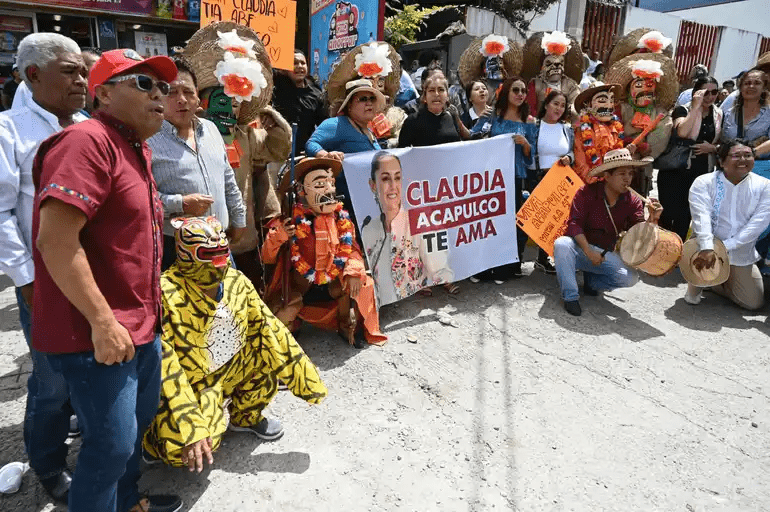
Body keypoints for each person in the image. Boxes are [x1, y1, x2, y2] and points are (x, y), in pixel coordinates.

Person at [31, 48, 182, 512]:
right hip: (97, 334)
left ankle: (128, 500)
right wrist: (102, 321)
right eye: (143, 84)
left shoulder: (134, 147)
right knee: (110, 446)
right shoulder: (86, 142)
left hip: (139, 326)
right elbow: (56, 240)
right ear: (103, 94)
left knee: (132, 432)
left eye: (163, 87)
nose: (159, 95)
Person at [143, 216, 328, 470]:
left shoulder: (235, 281)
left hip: (233, 364)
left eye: (222, 251)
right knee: (189, 442)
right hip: (197, 381)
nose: (219, 261)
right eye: (209, 254)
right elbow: (165, 365)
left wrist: (304, 376)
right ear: (186, 254)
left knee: (267, 355)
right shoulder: (165, 294)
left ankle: (245, 417)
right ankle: (155, 441)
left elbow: (268, 328)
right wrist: (191, 427)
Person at [0, 32, 87, 505]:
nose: (82, 81)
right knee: (52, 378)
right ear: (33, 75)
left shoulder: (89, 125)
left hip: (93, 273)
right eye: (69, 72)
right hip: (45, 279)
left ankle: (90, 439)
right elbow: (1, 213)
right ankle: (48, 464)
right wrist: (26, 278)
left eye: (83, 72)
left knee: (92, 364)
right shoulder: (9, 132)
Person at [182, 22, 288, 287]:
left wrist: (272, 118)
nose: (231, 108)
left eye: (238, 103)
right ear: (204, 101)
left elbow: (278, 149)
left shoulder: (246, 136)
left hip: (243, 238)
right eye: (225, 100)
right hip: (201, 239)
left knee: (246, 291)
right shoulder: (189, 134)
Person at [262, 157, 387, 347]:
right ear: (302, 191)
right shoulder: (289, 221)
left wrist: (353, 271)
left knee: (361, 283)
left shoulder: (341, 219)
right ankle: (287, 336)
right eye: (320, 185)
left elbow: (352, 249)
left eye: (331, 184)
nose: (329, 190)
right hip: (301, 288)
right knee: (285, 311)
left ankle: (347, 326)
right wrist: (280, 235)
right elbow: (267, 256)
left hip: (332, 283)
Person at [148, 56, 248, 271]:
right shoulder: (148, 139)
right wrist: (180, 203)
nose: (181, 99)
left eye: (188, 92)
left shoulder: (211, 129)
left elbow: (228, 179)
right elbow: (142, 198)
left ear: (197, 96)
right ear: (158, 96)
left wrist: (239, 219)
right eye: (172, 92)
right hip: (176, 249)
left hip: (219, 243)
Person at [553, 148, 662, 316]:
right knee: (562, 244)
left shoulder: (632, 201)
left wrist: (652, 220)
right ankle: (570, 297)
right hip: (581, 249)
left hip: (605, 253)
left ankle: (592, 283)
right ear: (607, 176)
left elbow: (637, 233)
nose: (627, 179)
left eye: (630, 174)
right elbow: (574, 224)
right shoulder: (586, 193)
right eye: (622, 174)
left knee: (630, 278)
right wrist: (588, 251)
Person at [684, 140, 770, 309]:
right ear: (722, 161)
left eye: (748, 155)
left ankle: (717, 282)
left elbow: (758, 225)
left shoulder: (765, 186)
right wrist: (708, 247)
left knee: (753, 303)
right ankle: (701, 279)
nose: (743, 160)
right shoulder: (704, 182)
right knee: (692, 298)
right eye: (736, 156)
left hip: (740, 249)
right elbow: (701, 218)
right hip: (706, 246)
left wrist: (725, 247)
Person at [360, 152, 454, 304]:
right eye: (385, 179)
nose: (393, 186)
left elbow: (440, 268)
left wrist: (441, 278)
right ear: (373, 185)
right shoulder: (369, 229)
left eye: (397, 178)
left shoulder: (420, 220)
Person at [471, 76, 536, 281]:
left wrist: (525, 144)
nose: (520, 94)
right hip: (491, 178)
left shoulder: (529, 120)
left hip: (515, 178)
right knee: (488, 223)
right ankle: (482, 268)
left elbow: (531, 157)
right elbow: (472, 137)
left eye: (523, 91)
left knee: (508, 225)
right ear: (506, 92)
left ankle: (505, 269)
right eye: (515, 90)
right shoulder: (492, 115)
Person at [306, 78, 384, 217]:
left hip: (369, 205)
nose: (369, 103)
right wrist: (326, 155)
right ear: (349, 106)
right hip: (346, 209)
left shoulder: (369, 132)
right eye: (363, 99)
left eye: (372, 99)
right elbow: (311, 144)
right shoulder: (336, 124)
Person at [657, 76, 722, 242]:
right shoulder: (682, 110)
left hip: (700, 171)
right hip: (675, 170)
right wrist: (695, 107)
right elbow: (683, 132)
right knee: (667, 214)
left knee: (686, 215)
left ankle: (678, 250)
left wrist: (712, 148)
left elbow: (721, 140)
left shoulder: (718, 114)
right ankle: (661, 249)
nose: (710, 97)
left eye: (714, 92)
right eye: (705, 92)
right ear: (696, 93)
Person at [605, 53, 676, 197]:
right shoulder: (619, 108)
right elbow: (610, 132)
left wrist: (642, 148)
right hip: (615, 167)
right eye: (639, 85)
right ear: (629, 89)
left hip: (641, 171)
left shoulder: (661, 115)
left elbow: (656, 144)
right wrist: (626, 143)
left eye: (650, 85)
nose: (645, 89)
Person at [529, 90, 575, 274]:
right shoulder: (534, 125)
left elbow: (572, 151)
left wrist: (569, 158)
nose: (559, 108)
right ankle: (537, 259)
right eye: (556, 103)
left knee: (556, 221)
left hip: (560, 179)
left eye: (563, 105)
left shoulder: (566, 128)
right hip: (539, 177)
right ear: (546, 104)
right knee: (540, 221)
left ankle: (547, 258)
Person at [272, 49, 327, 155]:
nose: (300, 66)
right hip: (278, 152)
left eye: (303, 63)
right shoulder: (276, 90)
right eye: (295, 63)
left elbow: (323, 124)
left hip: (305, 153)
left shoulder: (316, 93)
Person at [573, 82, 629, 184]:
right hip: (591, 184)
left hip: (613, 184)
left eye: (611, 101)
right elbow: (581, 163)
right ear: (588, 104)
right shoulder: (581, 130)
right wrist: (595, 181)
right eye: (602, 100)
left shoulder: (616, 127)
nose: (609, 106)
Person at [398, 72, 468, 148]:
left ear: (447, 95)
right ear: (425, 96)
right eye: (431, 90)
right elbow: (402, 150)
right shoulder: (412, 121)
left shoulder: (452, 116)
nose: (436, 94)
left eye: (441, 90)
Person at [523, 31, 582, 119]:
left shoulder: (571, 85)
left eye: (560, 63)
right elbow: (530, 109)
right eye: (549, 63)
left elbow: (576, 106)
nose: (556, 66)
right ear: (542, 67)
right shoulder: (535, 84)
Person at [721, 68, 770, 159]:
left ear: (764, 88)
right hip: (732, 164)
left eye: (757, 83)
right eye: (747, 83)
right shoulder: (728, 114)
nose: (751, 86)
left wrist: (750, 154)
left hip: (760, 165)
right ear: (740, 88)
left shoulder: (768, 114)